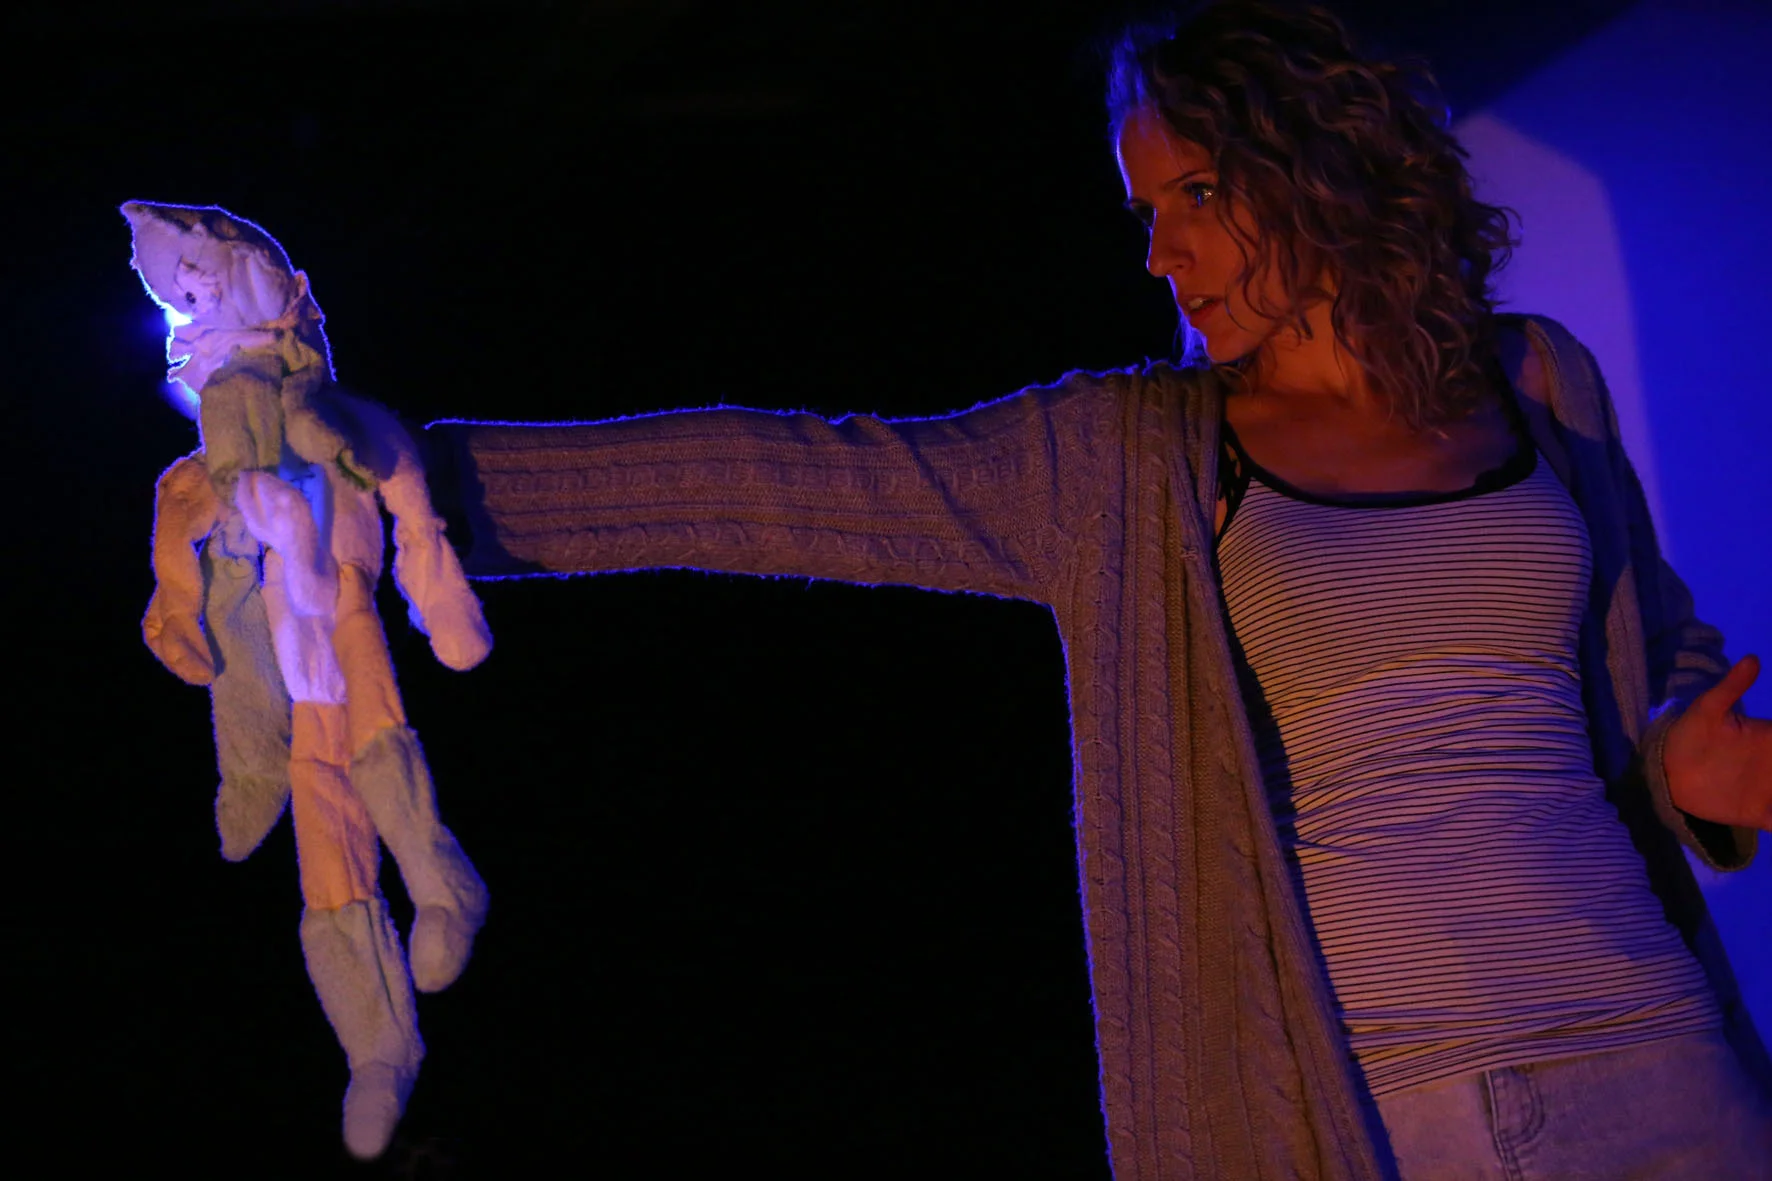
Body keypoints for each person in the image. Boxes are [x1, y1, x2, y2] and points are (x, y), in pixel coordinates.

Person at [425, 2, 1772, 1175]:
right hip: (1375, 1109)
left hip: (1659, 1061)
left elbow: (1651, 645)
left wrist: (1683, 750)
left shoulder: (1537, 378)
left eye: (1198, 194)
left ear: (1323, 163)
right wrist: (408, 493)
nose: (1159, 255)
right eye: (1144, 212)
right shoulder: (1132, 460)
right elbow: (787, 482)